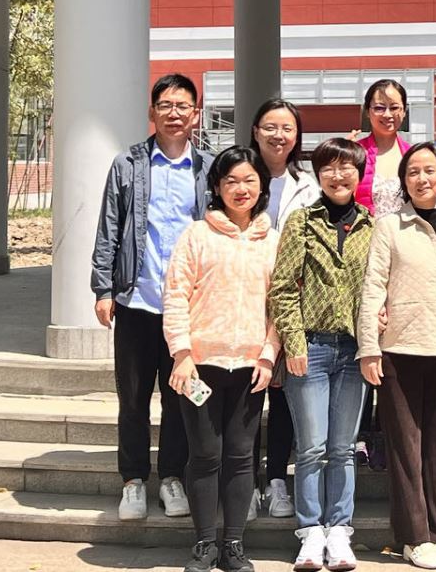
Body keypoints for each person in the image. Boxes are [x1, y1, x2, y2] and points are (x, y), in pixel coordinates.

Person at [91, 72, 210, 524]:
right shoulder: (129, 164)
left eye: (183, 106)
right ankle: (134, 480)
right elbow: (109, 228)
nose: (174, 113)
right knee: (134, 398)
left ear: (196, 114)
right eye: (166, 105)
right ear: (152, 112)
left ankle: (173, 477)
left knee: (182, 398)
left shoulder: (207, 168)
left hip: (188, 307)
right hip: (137, 301)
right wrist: (104, 288)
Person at [357, 142, 436, 570]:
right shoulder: (389, 227)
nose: (422, 179)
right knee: (406, 449)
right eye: (413, 172)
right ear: (404, 182)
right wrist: (369, 347)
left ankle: (435, 534)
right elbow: (373, 285)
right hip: (400, 349)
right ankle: (412, 537)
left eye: (430, 171)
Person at [163, 146, 279, 572]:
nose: (240, 188)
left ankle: (233, 545)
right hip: (201, 366)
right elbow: (175, 295)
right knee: (205, 455)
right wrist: (182, 353)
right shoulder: (196, 235)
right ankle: (204, 544)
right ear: (216, 186)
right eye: (231, 180)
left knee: (242, 457)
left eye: (249, 180)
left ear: (262, 186)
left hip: (250, 368)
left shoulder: (273, 240)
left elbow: (281, 306)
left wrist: (269, 356)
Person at [269, 138, 375, 572]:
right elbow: (282, 288)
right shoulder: (301, 221)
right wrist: (293, 343)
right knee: (311, 447)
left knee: (343, 447)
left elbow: (379, 288)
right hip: (310, 349)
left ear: (359, 173)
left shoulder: (372, 225)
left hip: (354, 350)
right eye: (328, 167)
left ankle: (340, 530)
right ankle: (311, 530)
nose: (337, 175)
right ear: (318, 174)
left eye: (346, 167)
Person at [251, 99, 321, 522]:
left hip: (291, 303)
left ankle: (277, 478)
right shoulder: (239, 174)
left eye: (287, 128)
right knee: (245, 396)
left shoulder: (309, 186)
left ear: (297, 136)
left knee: (282, 397)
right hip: (243, 301)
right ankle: (244, 482)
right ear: (255, 131)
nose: (279, 136)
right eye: (270, 127)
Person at [356, 77, 412, 217]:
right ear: (367, 111)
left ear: (404, 111)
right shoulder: (355, 152)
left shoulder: (413, 155)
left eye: (394, 108)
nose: (387, 114)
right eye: (379, 108)